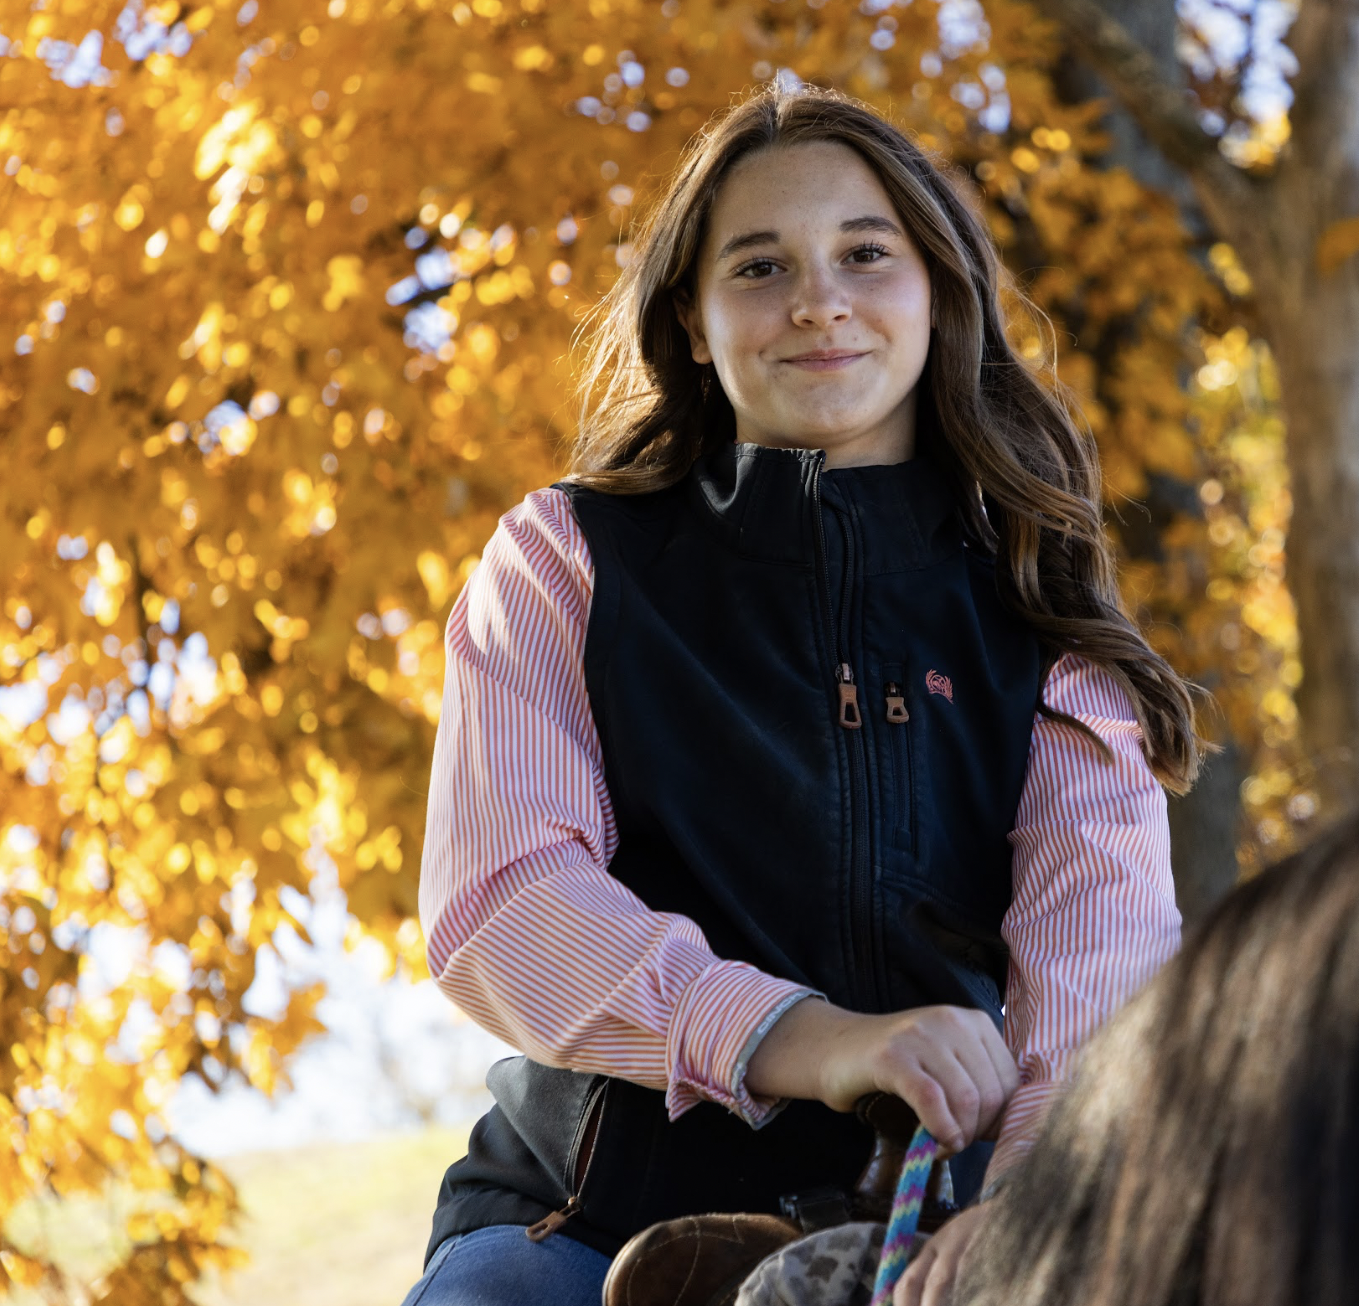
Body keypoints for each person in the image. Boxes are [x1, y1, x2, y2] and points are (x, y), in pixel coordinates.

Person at [400, 84, 1199, 1306]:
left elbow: (1098, 1009)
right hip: (577, 1232)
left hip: (943, 1246)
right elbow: (504, 904)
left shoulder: (1052, 633)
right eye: (761, 266)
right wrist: (818, 1040)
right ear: (696, 318)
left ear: (938, 289)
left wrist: (1021, 1238)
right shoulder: (566, 564)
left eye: (865, 256)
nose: (818, 300)